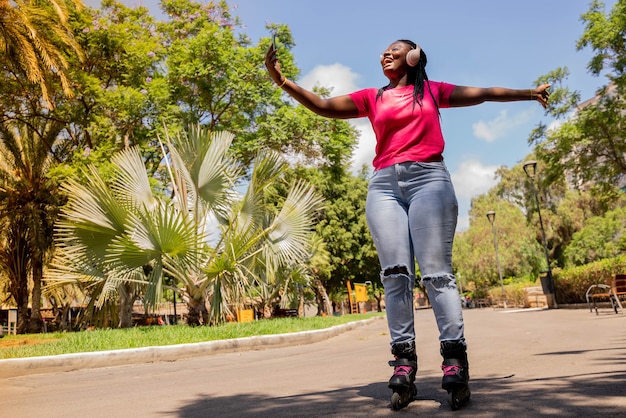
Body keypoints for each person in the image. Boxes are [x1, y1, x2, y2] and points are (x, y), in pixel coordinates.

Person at [265, 38, 550, 409]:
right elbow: (323, 106)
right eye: (383, 51)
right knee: (395, 274)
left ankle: (454, 360)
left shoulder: (431, 91)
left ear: (413, 57)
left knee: (436, 274)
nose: (385, 54)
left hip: (429, 179)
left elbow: (482, 93)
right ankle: (403, 362)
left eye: (394, 50)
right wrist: (281, 80)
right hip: (384, 185)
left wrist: (529, 93)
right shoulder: (373, 97)